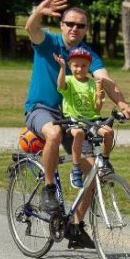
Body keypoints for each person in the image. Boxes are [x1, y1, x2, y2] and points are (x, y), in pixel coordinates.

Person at [23, 0, 130, 249]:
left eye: (80, 25)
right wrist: (39, 11)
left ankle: (75, 224)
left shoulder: (88, 55)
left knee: (94, 171)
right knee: (51, 133)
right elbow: (31, 28)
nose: (74, 28)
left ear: (86, 29)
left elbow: (105, 81)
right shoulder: (48, 42)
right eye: (69, 23)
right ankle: (49, 189)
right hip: (42, 109)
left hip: (74, 118)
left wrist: (123, 104)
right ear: (61, 25)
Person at [53, 47, 111, 189]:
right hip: (74, 120)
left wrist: (99, 97)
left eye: (84, 65)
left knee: (109, 132)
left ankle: (105, 159)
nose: (80, 69)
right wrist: (61, 67)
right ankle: (76, 168)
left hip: (91, 120)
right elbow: (60, 85)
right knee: (78, 133)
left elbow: (97, 109)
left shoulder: (92, 83)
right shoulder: (69, 80)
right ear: (70, 65)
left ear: (89, 66)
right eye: (75, 65)